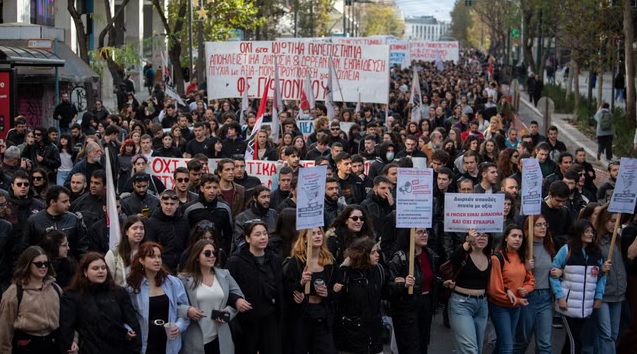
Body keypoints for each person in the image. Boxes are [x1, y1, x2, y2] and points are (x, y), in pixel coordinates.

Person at [59, 252, 142, 354]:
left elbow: (133, 324)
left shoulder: (119, 292)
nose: (101, 271)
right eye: (95, 268)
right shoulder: (72, 296)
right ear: (85, 272)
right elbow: (67, 330)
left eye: (103, 268)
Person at [549, 220, 610, 354]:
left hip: (586, 306)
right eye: (586, 231)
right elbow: (553, 272)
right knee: (575, 342)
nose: (590, 234)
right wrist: (560, 297)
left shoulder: (596, 252)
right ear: (578, 232)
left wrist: (598, 296)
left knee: (572, 341)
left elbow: (601, 277)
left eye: (592, 232)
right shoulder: (567, 249)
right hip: (567, 305)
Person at [178, 239, 248, 354]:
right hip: (194, 338)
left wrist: (227, 312)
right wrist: (187, 310)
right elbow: (174, 305)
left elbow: (239, 296)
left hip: (220, 336)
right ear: (196, 256)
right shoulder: (183, 279)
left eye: (214, 253)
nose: (212, 256)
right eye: (207, 253)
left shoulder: (224, 274)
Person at [225, 221, 283, 354]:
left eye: (265, 234)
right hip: (246, 319)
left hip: (270, 317)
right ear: (247, 238)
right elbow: (226, 287)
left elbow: (280, 285)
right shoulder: (235, 261)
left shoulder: (274, 259)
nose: (263, 237)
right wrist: (236, 300)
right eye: (257, 234)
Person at [283, 227, 342, 354]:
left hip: (323, 315)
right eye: (313, 234)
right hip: (303, 315)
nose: (317, 236)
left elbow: (338, 288)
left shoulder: (330, 261)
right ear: (304, 239)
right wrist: (301, 283)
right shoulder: (297, 261)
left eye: (319, 233)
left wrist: (328, 293)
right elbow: (287, 289)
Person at [126, 242, 190, 354]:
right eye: (152, 256)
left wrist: (178, 327)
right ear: (141, 260)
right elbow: (124, 315)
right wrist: (127, 330)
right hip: (145, 343)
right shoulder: (132, 287)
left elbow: (184, 309)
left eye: (159, 256)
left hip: (169, 342)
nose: (157, 260)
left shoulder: (173, 283)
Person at [0, 246, 62, 354]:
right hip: (26, 344)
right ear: (28, 265)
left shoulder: (55, 289)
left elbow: (67, 319)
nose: (43, 267)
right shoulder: (14, 292)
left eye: (46, 263)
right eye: (39, 264)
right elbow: (5, 329)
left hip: (53, 343)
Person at [388, 227, 440, 354]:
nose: (424, 235)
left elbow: (430, 277)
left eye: (426, 232)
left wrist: (442, 282)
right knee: (410, 347)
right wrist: (403, 284)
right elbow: (389, 285)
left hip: (426, 304)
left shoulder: (430, 254)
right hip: (407, 306)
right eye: (420, 232)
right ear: (410, 234)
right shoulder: (401, 257)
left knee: (423, 343)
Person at [443, 229, 492, 354]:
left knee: (477, 349)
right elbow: (453, 259)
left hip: (482, 305)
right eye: (478, 235)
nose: (481, 238)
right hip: (461, 304)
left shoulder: (489, 257)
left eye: (485, 235)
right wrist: (468, 242)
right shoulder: (463, 255)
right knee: (470, 350)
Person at [487, 225, 535, 354]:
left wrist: (526, 289)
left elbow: (530, 280)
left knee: (502, 344)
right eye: (514, 236)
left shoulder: (522, 257)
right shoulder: (497, 258)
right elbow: (494, 290)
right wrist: (518, 300)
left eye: (520, 236)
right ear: (506, 238)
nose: (517, 239)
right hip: (499, 306)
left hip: (515, 307)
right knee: (507, 347)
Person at [514, 215, 557, 354]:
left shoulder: (549, 246)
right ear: (529, 228)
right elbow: (510, 272)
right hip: (527, 297)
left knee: (545, 345)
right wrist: (524, 267)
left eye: (545, 224)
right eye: (538, 225)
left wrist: (559, 271)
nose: (543, 227)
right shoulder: (521, 248)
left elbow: (557, 266)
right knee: (522, 342)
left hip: (545, 297)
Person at [594, 206, 627, 353]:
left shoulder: (619, 241)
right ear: (604, 220)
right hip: (603, 295)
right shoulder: (596, 242)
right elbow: (588, 269)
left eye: (617, 221)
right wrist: (601, 269)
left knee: (613, 334)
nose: (615, 224)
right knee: (606, 335)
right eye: (612, 220)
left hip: (618, 294)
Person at [145, 190, 191, 272]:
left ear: (177, 204)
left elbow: (188, 244)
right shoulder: (151, 223)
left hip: (182, 267)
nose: (169, 207)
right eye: (166, 203)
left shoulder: (184, 221)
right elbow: (150, 247)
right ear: (161, 203)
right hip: (161, 267)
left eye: (172, 204)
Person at [105, 216, 146, 286]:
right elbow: (107, 280)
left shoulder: (148, 252)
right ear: (126, 232)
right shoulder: (114, 254)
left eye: (141, 228)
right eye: (135, 228)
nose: (139, 231)